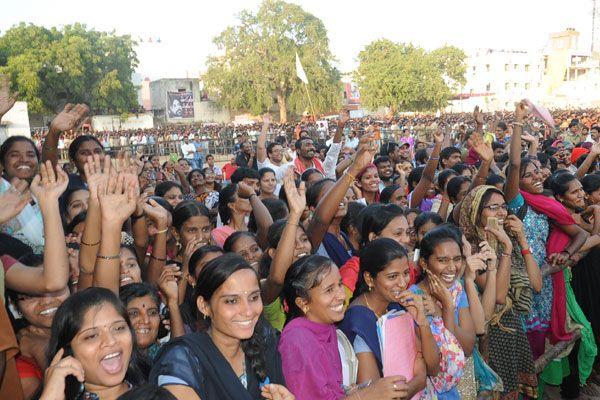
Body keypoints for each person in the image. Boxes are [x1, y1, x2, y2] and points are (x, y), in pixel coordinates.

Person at [149, 254, 292, 400]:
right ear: (204, 306)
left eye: (254, 298)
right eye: (231, 301)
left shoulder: (266, 341)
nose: (248, 311)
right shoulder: (183, 359)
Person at [279, 255, 410, 400]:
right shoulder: (297, 340)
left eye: (340, 284)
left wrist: (358, 390)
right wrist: (366, 395)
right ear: (303, 303)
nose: (341, 295)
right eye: (329, 290)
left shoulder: (327, 328)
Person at [338, 239, 438, 396]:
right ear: (369, 279)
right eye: (392, 277)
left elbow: (433, 368)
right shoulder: (359, 321)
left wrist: (423, 322)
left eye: (406, 273)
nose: (403, 283)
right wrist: (416, 383)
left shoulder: (395, 306)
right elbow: (376, 395)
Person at [41, 287, 148, 400]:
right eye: (92, 336)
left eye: (119, 328)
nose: (111, 341)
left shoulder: (159, 388)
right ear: (68, 352)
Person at [410, 226, 474, 399]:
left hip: (454, 390)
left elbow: (468, 346)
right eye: (442, 260)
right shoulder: (413, 300)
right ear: (424, 263)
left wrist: (445, 308)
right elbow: (433, 366)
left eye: (457, 259)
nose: (452, 267)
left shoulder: (456, 291)